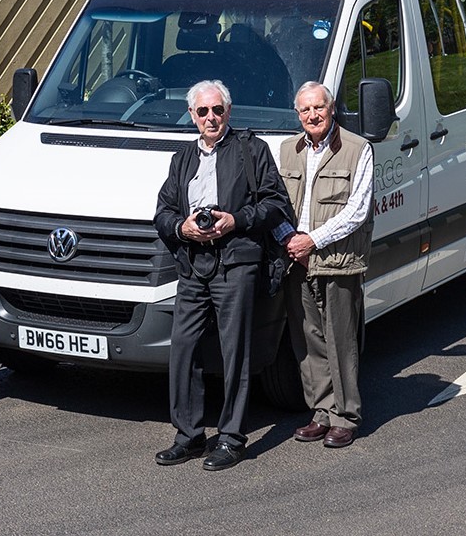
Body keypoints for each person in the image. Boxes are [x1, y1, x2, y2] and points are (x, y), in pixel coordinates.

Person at [152, 79, 292, 472]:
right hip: (193, 264)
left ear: (228, 112)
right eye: (203, 112)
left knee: (236, 352)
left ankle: (231, 438)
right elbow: (161, 213)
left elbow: (276, 203)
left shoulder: (251, 149)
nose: (210, 118)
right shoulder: (181, 158)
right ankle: (189, 436)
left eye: (217, 110)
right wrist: (183, 228)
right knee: (184, 348)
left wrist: (237, 220)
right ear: (192, 116)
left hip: (237, 262)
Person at [275, 81, 374, 449]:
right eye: (305, 110)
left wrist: (311, 240)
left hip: (338, 259)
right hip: (296, 257)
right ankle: (320, 412)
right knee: (308, 339)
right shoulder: (287, 149)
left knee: (341, 340)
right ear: (297, 114)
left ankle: (346, 417)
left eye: (318, 108)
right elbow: (277, 204)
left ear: (331, 109)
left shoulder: (357, 148)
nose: (312, 115)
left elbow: (358, 211)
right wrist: (289, 238)